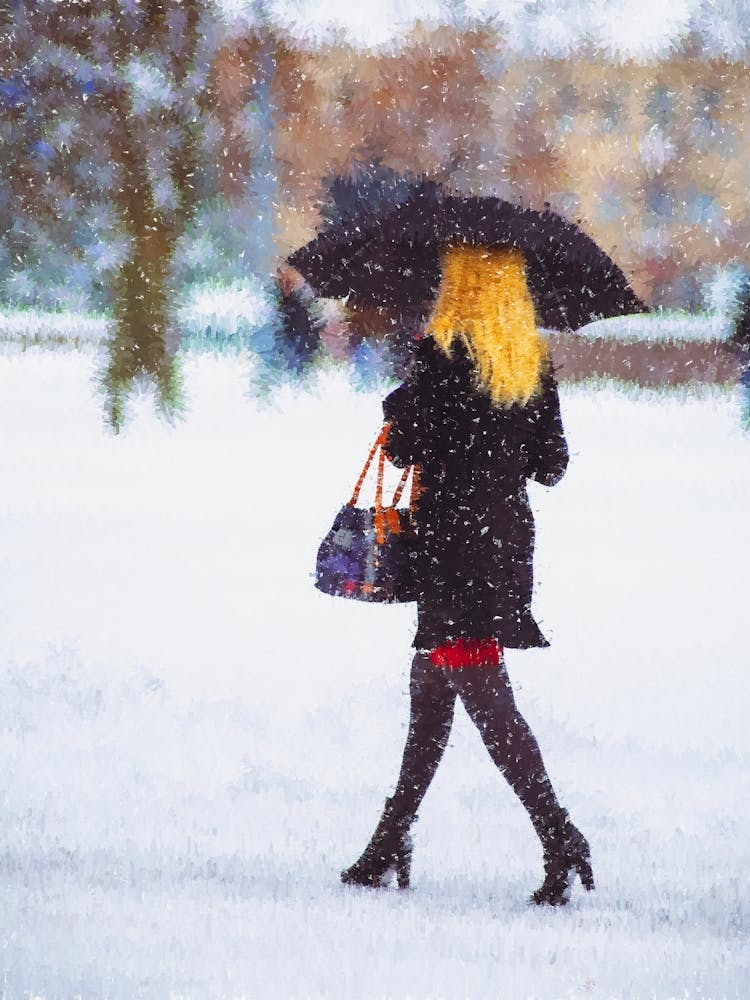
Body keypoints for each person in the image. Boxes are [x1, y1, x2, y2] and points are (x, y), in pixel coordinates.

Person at [340, 245, 594, 906]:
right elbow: (552, 465)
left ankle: (559, 835)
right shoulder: (530, 363)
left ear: (460, 290)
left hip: (452, 543)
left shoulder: (442, 357)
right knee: (432, 689)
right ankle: (391, 839)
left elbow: (402, 446)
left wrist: (411, 387)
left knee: (482, 691)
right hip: (502, 541)